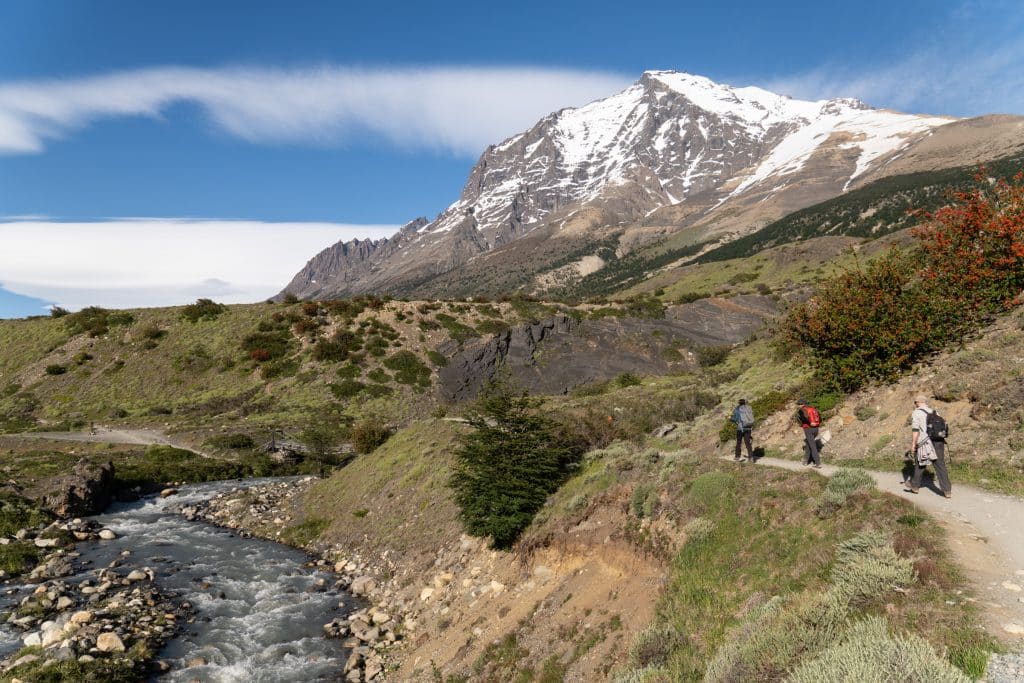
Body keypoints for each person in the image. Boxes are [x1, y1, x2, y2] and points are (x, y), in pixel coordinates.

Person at [904, 394, 952, 498]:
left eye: (915, 402)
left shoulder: (916, 413)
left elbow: (915, 430)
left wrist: (913, 444)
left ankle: (915, 486)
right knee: (940, 465)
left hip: (925, 442)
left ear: (917, 402)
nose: (915, 404)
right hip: (939, 441)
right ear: (925, 402)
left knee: (920, 463)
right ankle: (947, 490)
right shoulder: (934, 412)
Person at [795, 399, 821, 468]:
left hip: (808, 429)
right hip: (816, 429)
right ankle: (805, 461)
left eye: (799, 404)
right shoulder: (813, 409)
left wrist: (809, 423)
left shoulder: (802, 410)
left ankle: (817, 462)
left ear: (802, 404)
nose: (798, 406)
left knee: (812, 446)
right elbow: (819, 417)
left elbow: (804, 419)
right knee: (808, 443)